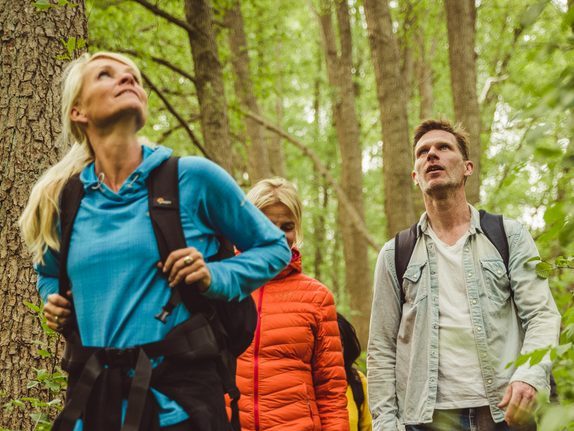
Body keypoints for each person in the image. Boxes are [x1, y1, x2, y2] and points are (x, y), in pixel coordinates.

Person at [18, 52, 291, 431]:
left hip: (180, 409)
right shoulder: (64, 200)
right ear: (78, 111)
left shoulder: (193, 178)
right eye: (106, 74)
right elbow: (48, 272)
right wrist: (54, 302)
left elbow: (275, 247)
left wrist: (215, 276)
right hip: (94, 406)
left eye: (133, 76)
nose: (127, 79)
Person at [366, 119, 561, 431]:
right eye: (423, 152)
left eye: (443, 148)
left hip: (503, 414)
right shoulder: (396, 253)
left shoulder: (508, 236)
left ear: (468, 167)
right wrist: (386, 423)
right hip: (425, 419)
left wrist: (529, 375)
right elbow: (381, 348)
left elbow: (541, 314)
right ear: (415, 176)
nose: (432, 155)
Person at [232, 177, 350, 431]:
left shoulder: (317, 298)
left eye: (287, 226)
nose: (277, 235)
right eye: (265, 223)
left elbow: (331, 393)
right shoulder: (224, 288)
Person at [337, 313, 373, 431]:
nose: (335, 351)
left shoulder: (358, 382)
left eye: (341, 344)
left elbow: (369, 427)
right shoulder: (305, 384)